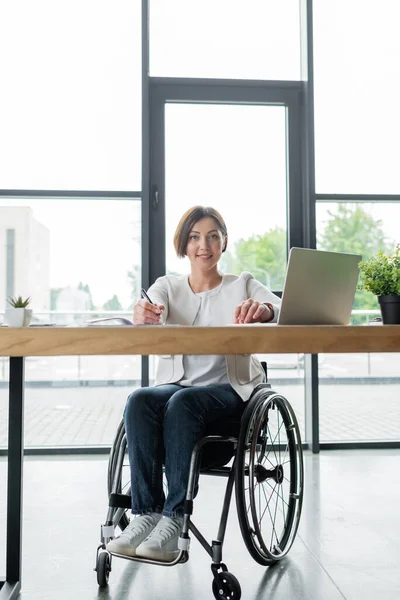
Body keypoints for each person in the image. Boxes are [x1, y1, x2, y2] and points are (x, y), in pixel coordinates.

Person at [107, 205, 281, 562]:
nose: (205, 244)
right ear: (184, 246)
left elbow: (279, 307)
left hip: (231, 391)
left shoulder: (243, 284)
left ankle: (174, 518)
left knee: (182, 403)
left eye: (213, 236)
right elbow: (147, 306)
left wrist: (263, 311)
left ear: (224, 242)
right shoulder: (167, 287)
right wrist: (143, 313)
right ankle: (146, 515)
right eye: (195, 237)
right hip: (178, 387)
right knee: (140, 399)